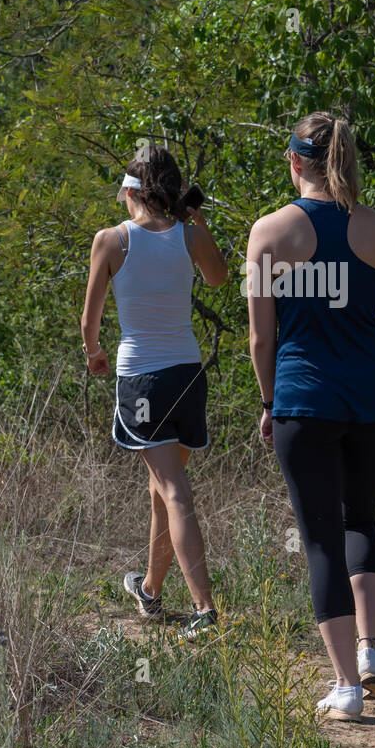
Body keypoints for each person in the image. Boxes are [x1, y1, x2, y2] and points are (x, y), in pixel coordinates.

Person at [246, 112, 375, 720]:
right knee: (362, 522)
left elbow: (259, 338)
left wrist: (270, 401)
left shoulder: (268, 234)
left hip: (304, 403)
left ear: (296, 162)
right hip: (374, 404)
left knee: (320, 537)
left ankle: (345, 687)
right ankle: (371, 652)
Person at [80, 146, 228, 639]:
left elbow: (89, 320)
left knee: (174, 490)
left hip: (142, 377)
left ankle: (205, 610)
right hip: (187, 374)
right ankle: (150, 589)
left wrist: (94, 352)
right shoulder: (188, 236)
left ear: (129, 191)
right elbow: (218, 277)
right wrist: (197, 223)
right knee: (160, 489)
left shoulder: (111, 241)